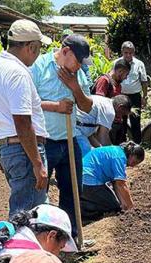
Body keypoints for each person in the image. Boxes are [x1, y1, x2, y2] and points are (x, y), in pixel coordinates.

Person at [0, 20, 52, 218]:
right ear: (31, 47)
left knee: (29, 209)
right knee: (26, 216)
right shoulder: (18, 72)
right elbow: (22, 122)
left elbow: (0, 113)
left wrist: (3, 151)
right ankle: (18, 249)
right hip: (24, 151)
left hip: (10, 147)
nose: (38, 54)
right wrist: (38, 164)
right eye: (38, 49)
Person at [31, 34, 94, 243]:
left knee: (73, 189)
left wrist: (75, 87)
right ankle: (39, 240)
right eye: (77, 62)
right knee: (40, 193)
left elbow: (87, 106)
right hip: (44, 141)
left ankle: (70, 237)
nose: (78, 67)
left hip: (69, 139)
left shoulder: (78, 75)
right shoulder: (39, 66)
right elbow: (26, 102)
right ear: (65, 51)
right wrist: (56, 106)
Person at [80, 143, 145, 221]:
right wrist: (131, 207)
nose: (132, 166)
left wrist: (123, 204)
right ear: (131, 155)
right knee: (111, 208)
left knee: (115, 206)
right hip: (88, 179)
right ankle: (83, 208)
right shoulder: (119, 157)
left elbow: (116, 184)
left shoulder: (117, 151)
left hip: (84, 177)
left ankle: (83, 199)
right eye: (134, 162)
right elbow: (121, 184)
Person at [117, 41, 149, 143]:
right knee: (121, 121)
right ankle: (121, 143)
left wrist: (144, 97)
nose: (128, 55)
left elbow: (144, 81)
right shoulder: (116, 63)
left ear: (133, 52)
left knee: (135, 121)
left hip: (135, 96)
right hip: (121, 96)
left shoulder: (139, 64)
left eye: (130, 53)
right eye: (126, 53)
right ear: (122, 52)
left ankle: (137, 144)